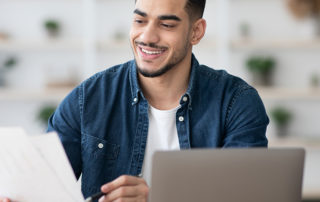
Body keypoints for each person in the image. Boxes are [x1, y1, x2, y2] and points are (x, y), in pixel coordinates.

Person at [1, 0, 269, 201]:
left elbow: (245, 195)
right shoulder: (87, 99)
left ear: (196, 32)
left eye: (166, 25)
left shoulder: (236, 102)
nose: (147, 37)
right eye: (140, 21)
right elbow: (45, 193)